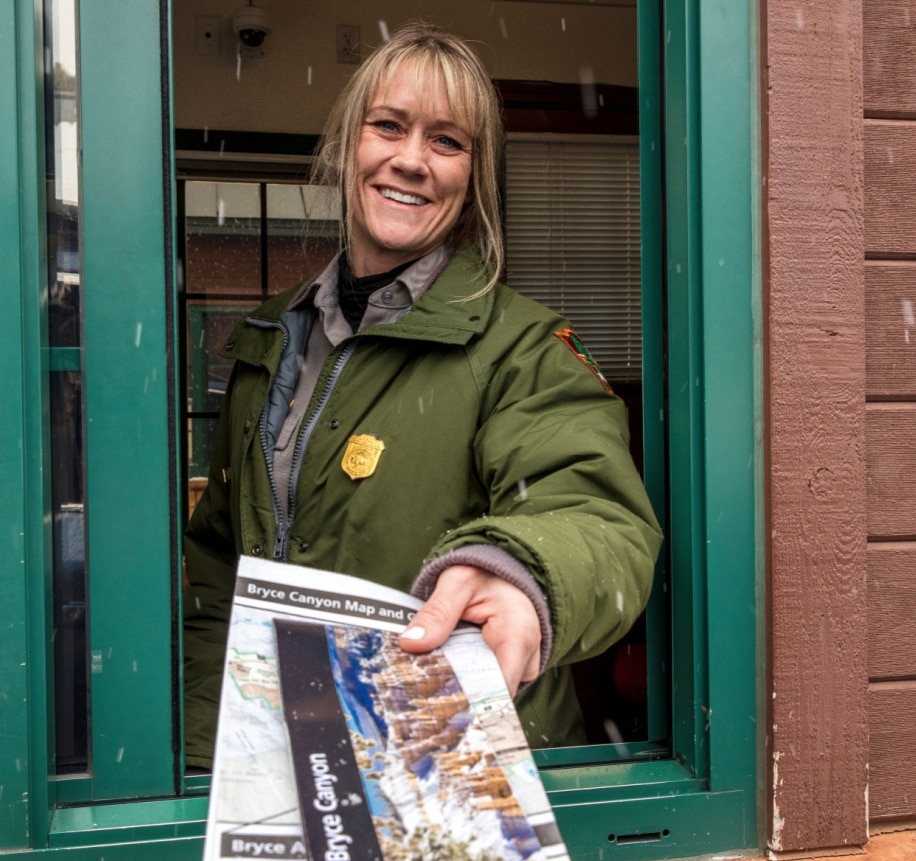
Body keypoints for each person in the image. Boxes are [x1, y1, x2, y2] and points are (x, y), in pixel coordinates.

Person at [183, 22, 661, 767]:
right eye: (389, 126)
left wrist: (523, 574)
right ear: (349, 144)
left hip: (449, 760)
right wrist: (205, 744)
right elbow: (220, 555)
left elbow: (601, 521)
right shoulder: (271, 336)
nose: (411, 160)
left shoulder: (524, 348)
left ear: (473, 176)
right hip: (276, 758)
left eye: (448, 141)